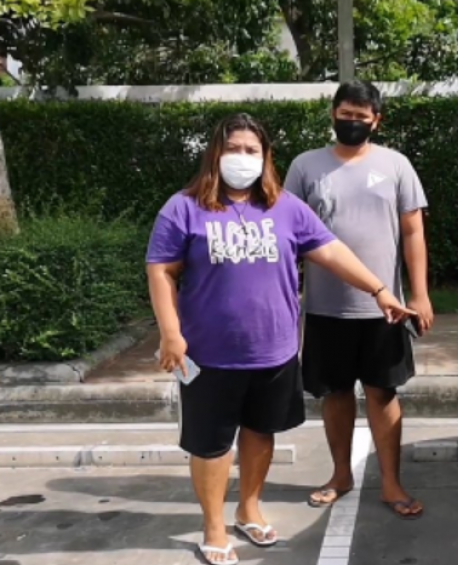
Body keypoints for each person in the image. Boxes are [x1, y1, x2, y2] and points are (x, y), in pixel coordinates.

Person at [146, 113, 413, 565]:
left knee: (260, 434)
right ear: (215, 153)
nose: (242, 158)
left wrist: (379, 290)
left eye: (252, 150)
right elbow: (161, 270)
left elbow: (331, 251)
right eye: (233, 148)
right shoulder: (184, 207)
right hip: (209, 354)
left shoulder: (285, 206)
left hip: (274, 351)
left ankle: (249, 508)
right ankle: (214, 527)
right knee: (211, 445)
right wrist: (171, 333)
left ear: (266, 157)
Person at [284, 80, 434, 520]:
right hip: (325, 307)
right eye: (345, 114)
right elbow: (287, 233)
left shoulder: (396, 165)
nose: (352, 122)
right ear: (333, 114)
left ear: (376, 120)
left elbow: (413, 231)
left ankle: (391, 483)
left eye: (361, 116)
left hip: (384, 309)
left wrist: (420, 294)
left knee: (382, 393)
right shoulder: (305, 166)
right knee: (334, 394)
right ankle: (339, 476)